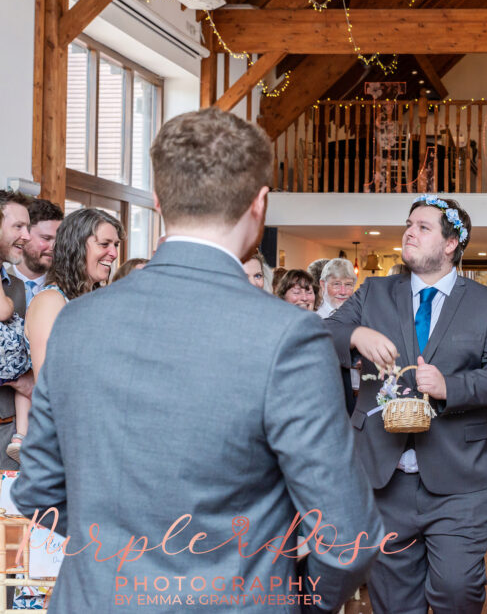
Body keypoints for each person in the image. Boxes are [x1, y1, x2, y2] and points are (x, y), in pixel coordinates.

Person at [12, 107, 382, 613]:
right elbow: (344, 534)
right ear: (260, 204)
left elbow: (38, 491)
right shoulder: (287, 335)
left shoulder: (76, 321)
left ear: (161, 201)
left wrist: (115, 560)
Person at [326, 194, 487, 614]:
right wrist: (356, 336)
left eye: (423, 227)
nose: (409, 232)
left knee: (457, 591)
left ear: (451, 244)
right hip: (382, 480)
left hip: (458, 481)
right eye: (408, 225)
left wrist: (450, 386)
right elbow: (325, 332)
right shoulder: (373, 292)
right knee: (393, 603)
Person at [17, 208, 125, 462]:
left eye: (116, 245)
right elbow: (50, 385)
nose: (114, 253)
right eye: (104, 244)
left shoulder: (98, 301)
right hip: (65, 443)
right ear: (76, 246)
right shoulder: (51, 302)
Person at [0, 190, 33, 470]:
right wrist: (13, 379)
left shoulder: (17, 288)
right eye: (18, 227)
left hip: (7, 435)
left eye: (28, 227)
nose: (27, 236)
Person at [317, 258, 360, 415]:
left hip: (359, 399)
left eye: (348, 285)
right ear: (323, 285)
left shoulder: (361, 317)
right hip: (326, 399)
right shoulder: (314, 318)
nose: (343, 291)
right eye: (336, 284)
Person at [11, 198, 62, 306]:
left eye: (58, 240)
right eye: (46, 238)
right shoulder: (3, 281)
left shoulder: (65, 286)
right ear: (24, 235)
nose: (54, 247)